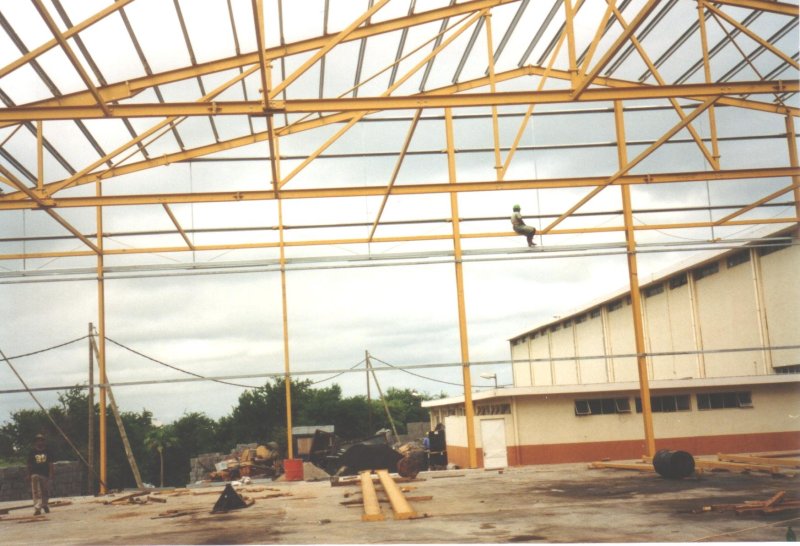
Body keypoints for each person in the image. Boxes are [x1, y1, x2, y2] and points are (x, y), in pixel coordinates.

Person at [27, 433, 54, 516]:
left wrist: (51, 474)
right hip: (35, 473)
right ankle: (37, 508)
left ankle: (45, 504)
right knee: (36, 491)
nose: (40, 442)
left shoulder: (47, 451)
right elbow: (29, 464)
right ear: (35, 442)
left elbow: (50, 463)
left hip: (45, 474)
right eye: (38, 441)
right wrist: (28, 474)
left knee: (45, 491)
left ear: (43, 442)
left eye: (41, 440)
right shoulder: (32, 452)